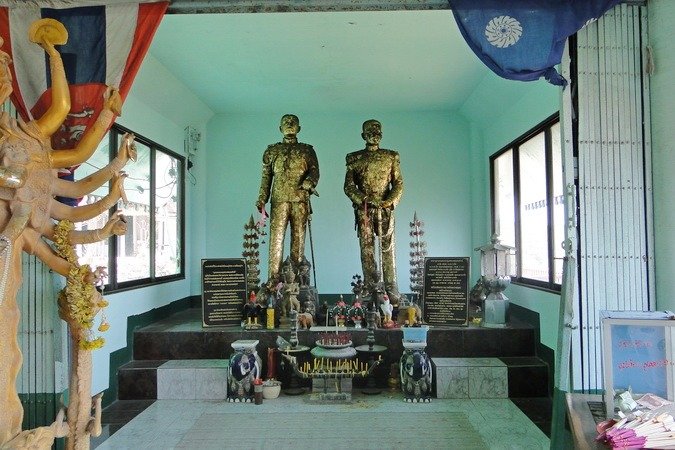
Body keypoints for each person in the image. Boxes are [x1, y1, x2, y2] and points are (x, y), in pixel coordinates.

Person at [344, 119, 404, 302]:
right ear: (363, 135)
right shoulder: (354, 158)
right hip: (364, 209)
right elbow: (349, 186)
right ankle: (370, 285)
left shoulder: (390, 156)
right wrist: (364, 200)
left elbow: (398, 183)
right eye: (369, 132)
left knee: (388, 246)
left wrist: (389, 201)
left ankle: (391, 285)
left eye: (377, 131)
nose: (374, 134)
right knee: (367, 248)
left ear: (382, 134)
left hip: (386, 208)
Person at [256, 114, 319, 283]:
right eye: (286, 123)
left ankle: (296, 280)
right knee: (276, 239)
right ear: (280, 128)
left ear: (299, 128)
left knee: (298, 238)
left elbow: (315, 171)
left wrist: (310, 181)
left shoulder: (307, 150)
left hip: (300, 199)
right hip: (279, 199)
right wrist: (262, 198)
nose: (289, 124)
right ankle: (273, 280)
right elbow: (266, 177)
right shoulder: (272, 151)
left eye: (293, 123)